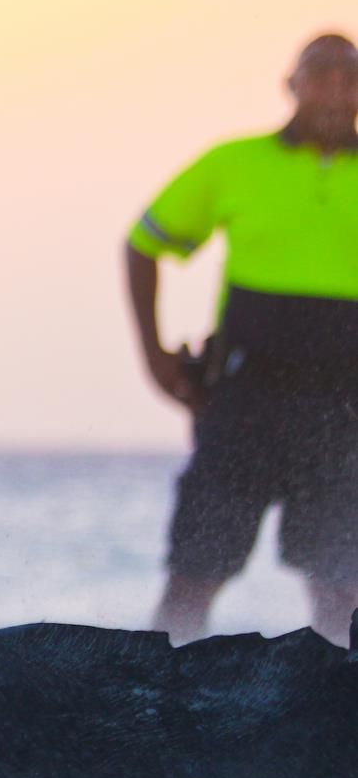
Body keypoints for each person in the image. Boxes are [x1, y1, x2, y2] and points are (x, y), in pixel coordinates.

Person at [126, 32, 358, 644]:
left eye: (350, 75)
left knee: (343, 590)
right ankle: (156, 700)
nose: (336, 87)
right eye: (322, 73)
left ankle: (339, 722)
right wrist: (155, 360)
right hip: (245, 401)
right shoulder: (234, 164)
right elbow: (144, 244)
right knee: (193, 575)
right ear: (292, 84)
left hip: (346, 412)